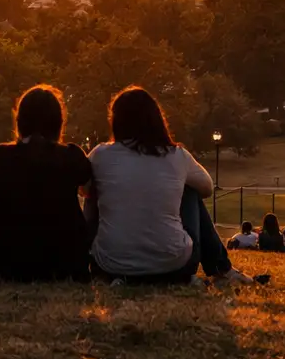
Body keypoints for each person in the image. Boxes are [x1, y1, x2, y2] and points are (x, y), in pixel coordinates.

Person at [87, 85, 255, 286]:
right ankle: (221, 269)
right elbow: (207, 188)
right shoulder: (177, 156)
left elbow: (83, 188)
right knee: (190, 189)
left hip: (111, 264)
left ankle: (113, 270)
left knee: (94, 189)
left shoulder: (100, 155)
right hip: (174, 264)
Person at [0, 84, 93, 281]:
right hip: (65, 261)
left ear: (20, 121)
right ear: (58, 122)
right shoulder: (72, 155)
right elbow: (88, 191)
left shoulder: (1, 155)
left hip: (6, 260)